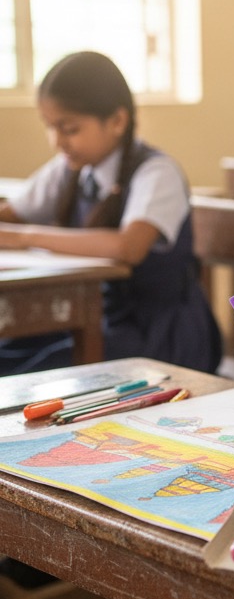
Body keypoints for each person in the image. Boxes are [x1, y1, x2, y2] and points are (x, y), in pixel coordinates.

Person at [0, 50, 222, 375]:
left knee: (38, 371)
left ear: (117, 121)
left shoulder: (157, 172)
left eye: (69, 128)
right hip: (96, 318)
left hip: (159, 333)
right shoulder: (70, 169)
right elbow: (12, 213)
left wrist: (25, 237)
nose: (57, 141)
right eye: (50, 128)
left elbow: (128, 247)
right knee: (9, 354)